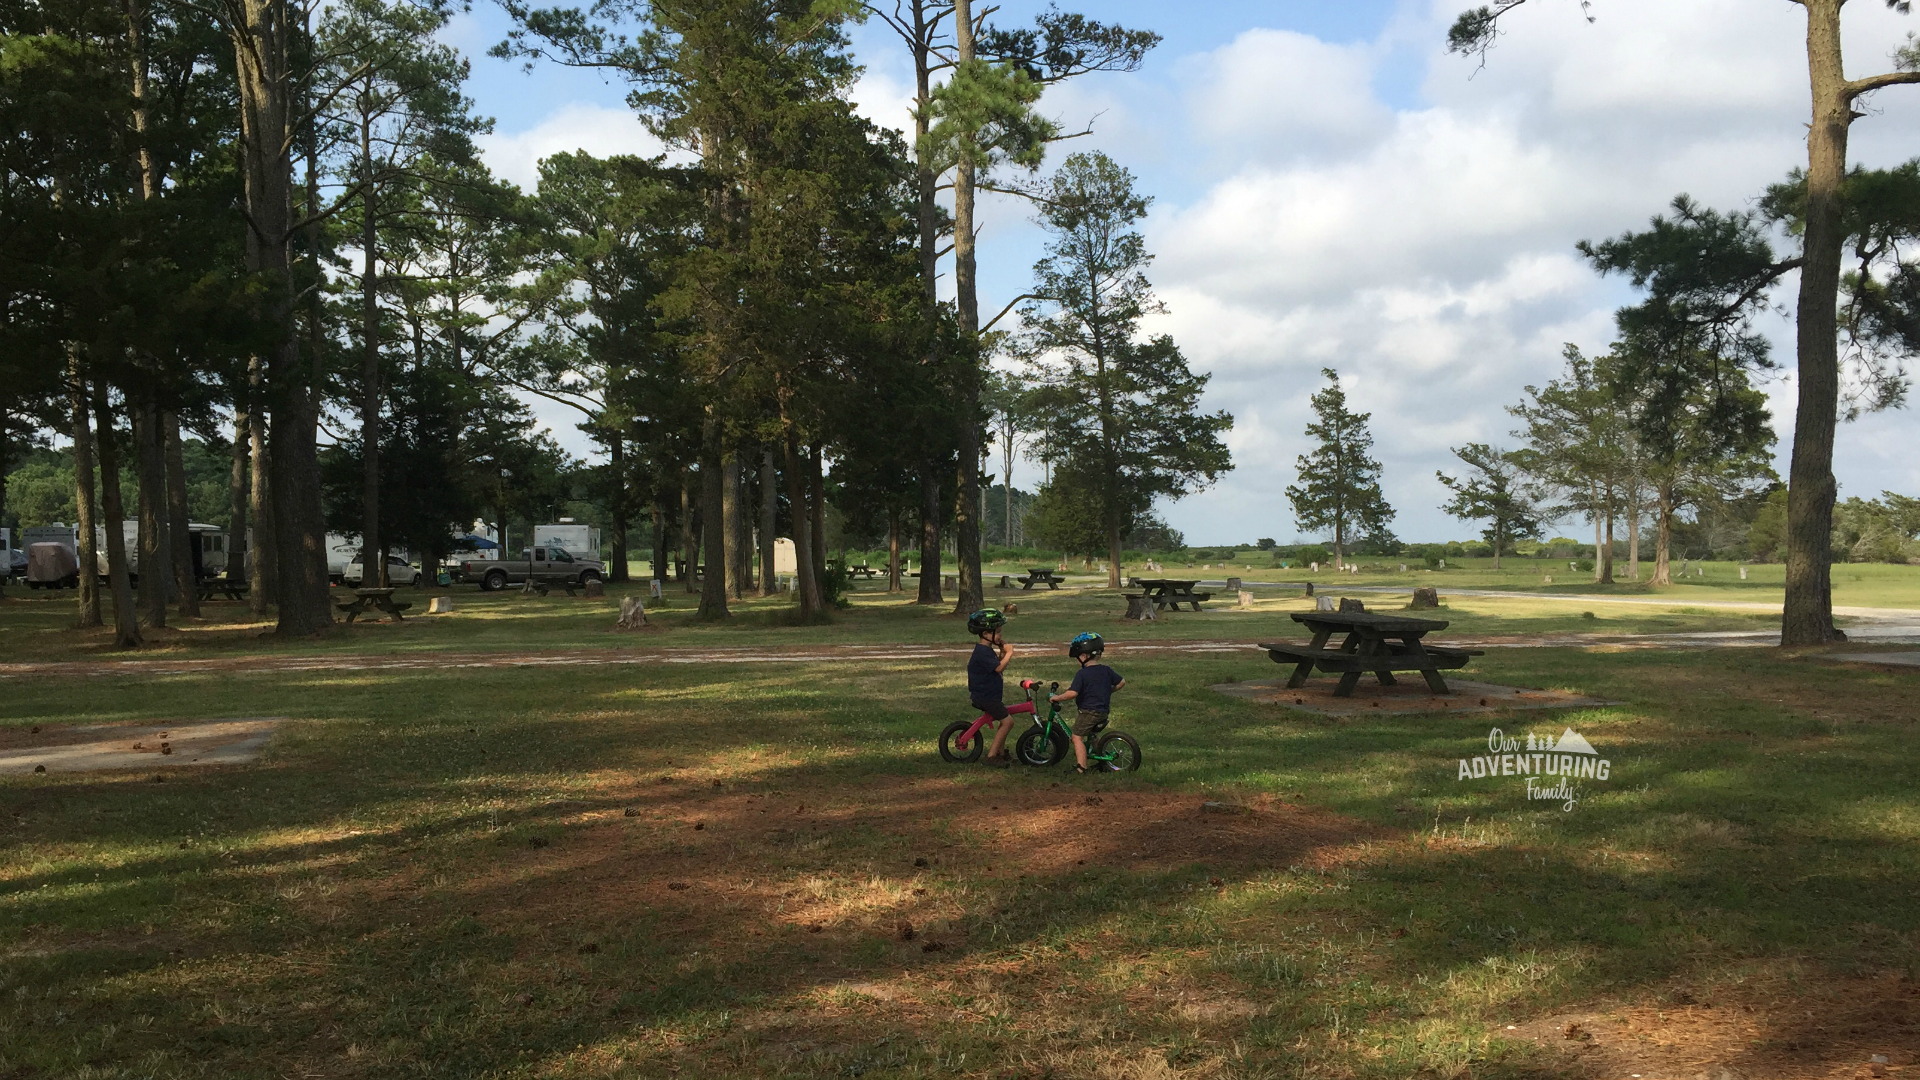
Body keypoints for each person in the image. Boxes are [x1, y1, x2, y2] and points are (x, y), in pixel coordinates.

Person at [1050, 632, 1125, 774]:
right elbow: (1121, 682)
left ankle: (1081, 767)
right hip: (1103, 712)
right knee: (1093, 737)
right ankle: (1103, 761)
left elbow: (1072, 693)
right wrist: (1108, 691)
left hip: (1089, 712)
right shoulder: (1106, 670)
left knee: (1076, 737)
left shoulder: (1082, 674)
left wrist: (1057, 697)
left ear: (1084, 656)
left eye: (1077, 658)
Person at [966, 609, 1028, 767]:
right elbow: (999, 669)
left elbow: (996, 665)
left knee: (1004, 719)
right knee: (1008, 722)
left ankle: (1000, 752)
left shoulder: (986, 650)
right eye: (998, 632)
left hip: (989, 695)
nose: (1000, 635)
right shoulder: (982, 652)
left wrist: (1001, 652)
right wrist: (1009, 653)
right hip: (986, 697)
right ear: (986, 633)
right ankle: (992, 756)